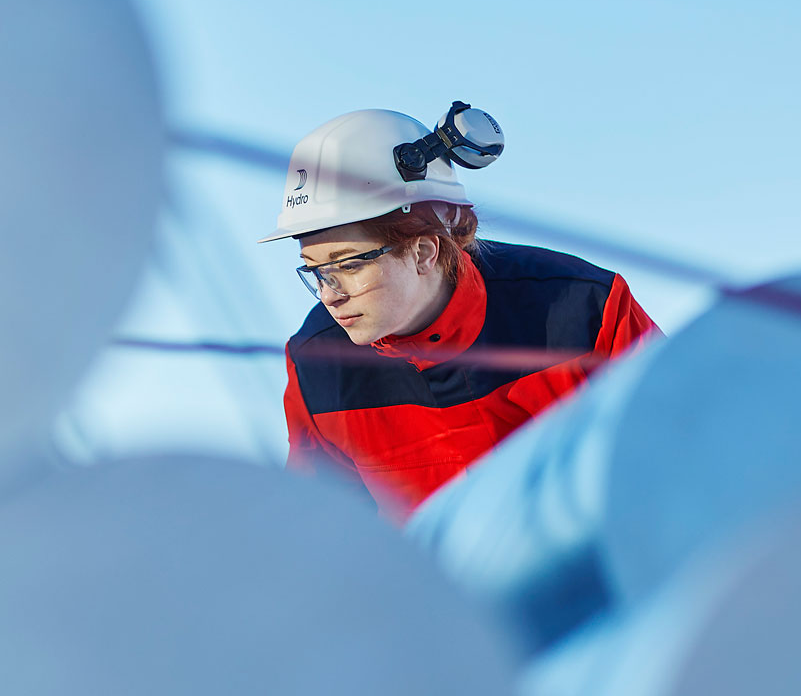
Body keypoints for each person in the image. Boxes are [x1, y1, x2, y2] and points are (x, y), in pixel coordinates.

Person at [263, 103, 659, 515]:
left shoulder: (584, 310)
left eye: (348, 265)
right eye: (316, 272)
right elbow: (323, 536)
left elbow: (688, 445)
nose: (329, 295)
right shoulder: (317, 364)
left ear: (423, 251)